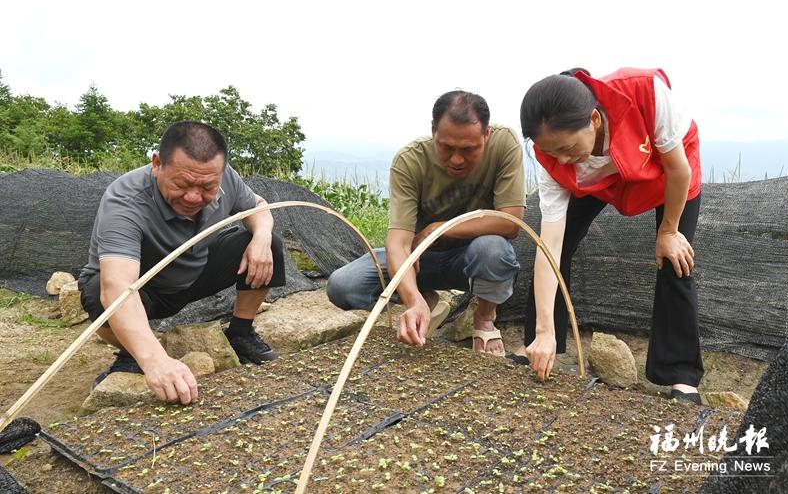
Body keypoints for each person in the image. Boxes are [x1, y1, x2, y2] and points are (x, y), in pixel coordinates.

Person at [519, 67, 704, 404]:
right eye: (550, 151)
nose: (560, 158)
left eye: (566, 146)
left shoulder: (646, 94)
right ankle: (540, 342)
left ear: (594, 120)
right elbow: (550, 248)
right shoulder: (557, 163)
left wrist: (669, 231)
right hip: (595, 180)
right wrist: (544, 329)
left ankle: (682, 375)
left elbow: (679, 169)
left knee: (675, 256)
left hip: (666, 173)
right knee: (559, 250)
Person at [78, 121, 286, 405]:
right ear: (157, 164)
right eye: (182, 184)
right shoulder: (125, 200)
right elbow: (118, 286)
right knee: (98, 293)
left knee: (269, 245)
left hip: (194, 274)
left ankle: (240, 332)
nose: (193, 197)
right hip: (146, 289)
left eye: (207, 187)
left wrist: (261, 236)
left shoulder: (225, 178)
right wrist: (156, 361)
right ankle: (133, 352)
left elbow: (259, 206)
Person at [326, 91, 526, 354]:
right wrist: (412, 300)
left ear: (486, 135)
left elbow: (510, 221)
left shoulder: (504, 144)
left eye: (468, 150)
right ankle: (426, 301)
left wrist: (436, 229)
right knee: (343, 285)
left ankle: (484, 320)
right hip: (420, 259)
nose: (457, 159)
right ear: (434, 132)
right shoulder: (410, 160)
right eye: (447, 148)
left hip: (470, 259)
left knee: (493, 250)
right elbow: (398, 242)